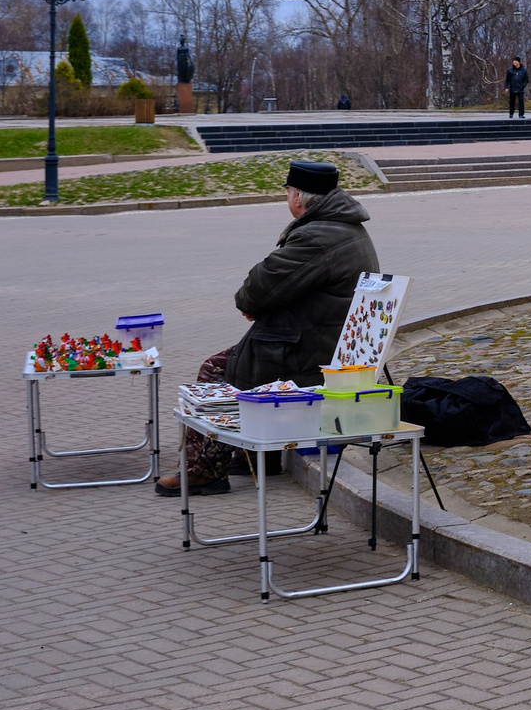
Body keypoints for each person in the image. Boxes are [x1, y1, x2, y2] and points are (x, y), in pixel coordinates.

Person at [158, 159, 381, 497]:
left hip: (310, 352)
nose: (287, 199)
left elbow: (259, 286)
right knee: (244, 355)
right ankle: (256, 455)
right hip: (321, 342)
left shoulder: (317, 237)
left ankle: (203, 470)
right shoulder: (341, 227)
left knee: (218, 370)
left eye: (289, 192)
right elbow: (285, 287)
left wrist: (256, 305)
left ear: (298, 197)